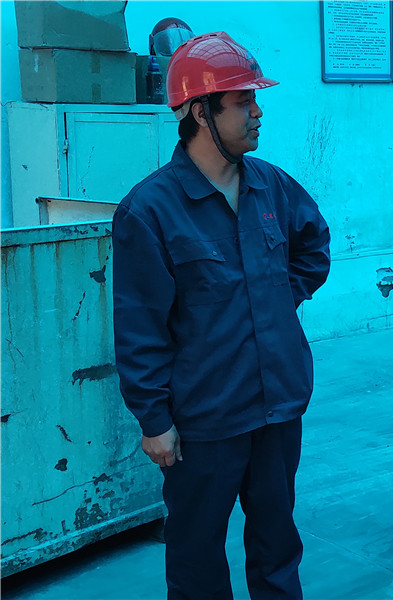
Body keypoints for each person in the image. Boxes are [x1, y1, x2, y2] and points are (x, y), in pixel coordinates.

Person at [113, 32, 330, 599]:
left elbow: (314, 248)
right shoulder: (149, 210)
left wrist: (278, 299)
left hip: (277, 405)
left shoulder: (272, 187)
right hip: (204, 419)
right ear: (199, 112)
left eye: (255, 100)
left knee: (278, 547)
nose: (257, 112)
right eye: (242, 101)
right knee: (197, 557)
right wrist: (153, 420)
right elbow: (139, 326)